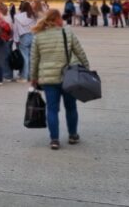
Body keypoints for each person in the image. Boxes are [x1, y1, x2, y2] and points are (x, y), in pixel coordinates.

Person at [30, 9, 90, 150]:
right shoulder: (67, 32)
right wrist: (86, 68)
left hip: (48, 79)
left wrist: (33, 78)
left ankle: (54, 140)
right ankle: (73, 135)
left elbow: (34, 59)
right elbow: (79, 51)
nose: (62, 20)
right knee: (71, 107)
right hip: (68, 77)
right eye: (60, 18)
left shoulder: (38, 36)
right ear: (56, 19)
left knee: (52, 109)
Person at [13, 1, 36, 82]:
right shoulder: (33, 15)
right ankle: (30, 76)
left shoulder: (17, 17)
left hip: (23, 36)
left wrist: (16, 40)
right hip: (33, 36)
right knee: (31, 57)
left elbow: (16, 29)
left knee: (24, 57)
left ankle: (24, 76)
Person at [0, 3, 14, 82]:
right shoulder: (9, 17)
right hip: (10, 39)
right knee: (8, 56)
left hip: (4, 39)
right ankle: (9, 74)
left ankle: (7, 75)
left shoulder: (2, 18)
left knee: (5, 57)